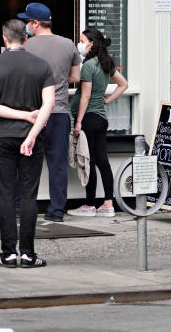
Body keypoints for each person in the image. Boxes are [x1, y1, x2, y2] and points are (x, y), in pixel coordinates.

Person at [0, 18, 55, 268]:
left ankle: (8, 253)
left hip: (2, 136)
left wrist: (19, 116)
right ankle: (29, 254)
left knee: (7, 195)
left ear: (4, 38)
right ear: (26, 38)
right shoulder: (42, 67)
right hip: (31, 137)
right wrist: (31, 132)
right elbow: (49, 105)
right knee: (28, 196)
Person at [19, 2, 80, 222]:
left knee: (27, 163)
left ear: (36, 23)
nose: (26, 25)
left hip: (32, 114)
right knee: (58, 165)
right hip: (59, 112)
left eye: (28, 22)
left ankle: (24, 208)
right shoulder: (68, 44)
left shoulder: (25, 47)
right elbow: (75, 78)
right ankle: (56, 211)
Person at [67, 28, 128, 218]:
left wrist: (78, 122)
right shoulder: (105, 63)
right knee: (102, 160)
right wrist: (108, 101)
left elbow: (85, 96)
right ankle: (108, 204)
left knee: (89, 161)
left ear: (91, 44)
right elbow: (124, 84)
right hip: (101, 119)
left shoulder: (88, 66)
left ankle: (89, 204)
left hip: (89, 118)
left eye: (82, 40)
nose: (79, 43)